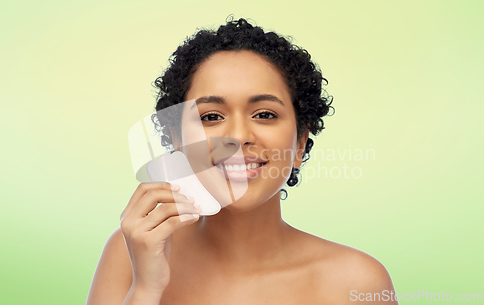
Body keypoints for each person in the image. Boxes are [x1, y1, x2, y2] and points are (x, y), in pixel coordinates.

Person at [86, 16, 397, 305]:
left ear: (300, 143)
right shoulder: (132, 253)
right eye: (210, 116)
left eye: (264, 114)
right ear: (178, 141)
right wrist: (145, 288)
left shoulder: (358, 283)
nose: (237, 136)